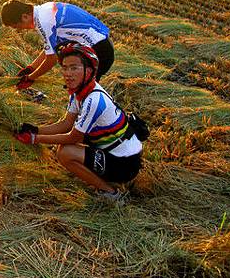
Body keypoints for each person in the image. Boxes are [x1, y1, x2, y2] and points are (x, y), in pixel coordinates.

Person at [13, 42, 142, 202]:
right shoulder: (79, 92)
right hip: (114, 153)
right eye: (65, 68)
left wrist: (35, 139)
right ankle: (101, 177)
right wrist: (35, 130)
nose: (68, 73)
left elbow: (73, 137)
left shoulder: (94, 100)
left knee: (65, 153)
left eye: (74, 68)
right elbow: (66, 124)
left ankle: (111, 193)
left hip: (126, 164)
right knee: (66, 148)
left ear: (89, 71)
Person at [0, 0, 114, 90]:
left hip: (100, 51)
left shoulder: (44, 23)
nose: (19, 29)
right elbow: (51, 49)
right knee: (80, 89)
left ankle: (114, 117)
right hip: (101, 44)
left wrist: (30, 78)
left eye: (16, 26)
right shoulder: (44, 10)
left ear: (24, 16)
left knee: (84, 92)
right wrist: (31, 68)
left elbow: (51, 59)